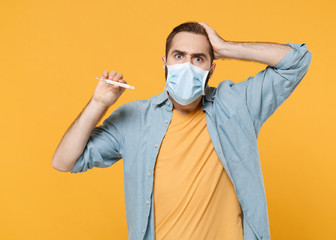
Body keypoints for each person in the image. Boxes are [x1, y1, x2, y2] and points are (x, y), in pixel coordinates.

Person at [52, 21, 312, 240]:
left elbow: (297, 61)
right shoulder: (135, 119)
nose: (187, 65)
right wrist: (98, 103)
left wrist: (225, 47)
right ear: (165, 64)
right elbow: (65, 161)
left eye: (198, 58)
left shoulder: (237, 104)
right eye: (179, 56)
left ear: (212, 68)